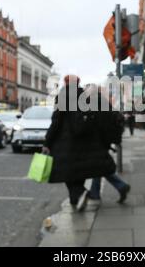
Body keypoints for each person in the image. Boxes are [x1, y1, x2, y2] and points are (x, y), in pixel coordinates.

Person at [43, 76, 116, 212]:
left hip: (65, 144)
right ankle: (75, 201)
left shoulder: (63, 96)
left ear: (65, 83)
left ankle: (79, 194)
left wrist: (47, 142)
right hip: (84, 141)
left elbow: (56, 122)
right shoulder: (85, 96)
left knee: (68, 174)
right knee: (78, 173)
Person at [85, 85, 131, 205]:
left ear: (91, 93)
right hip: (104, 139)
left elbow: (96, 124)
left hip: (99, 140)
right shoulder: (103, 101)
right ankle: (96, 192)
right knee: (100, 166)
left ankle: (121, 186)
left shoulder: (94, 103)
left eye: (87, 92)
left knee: (99, 166)